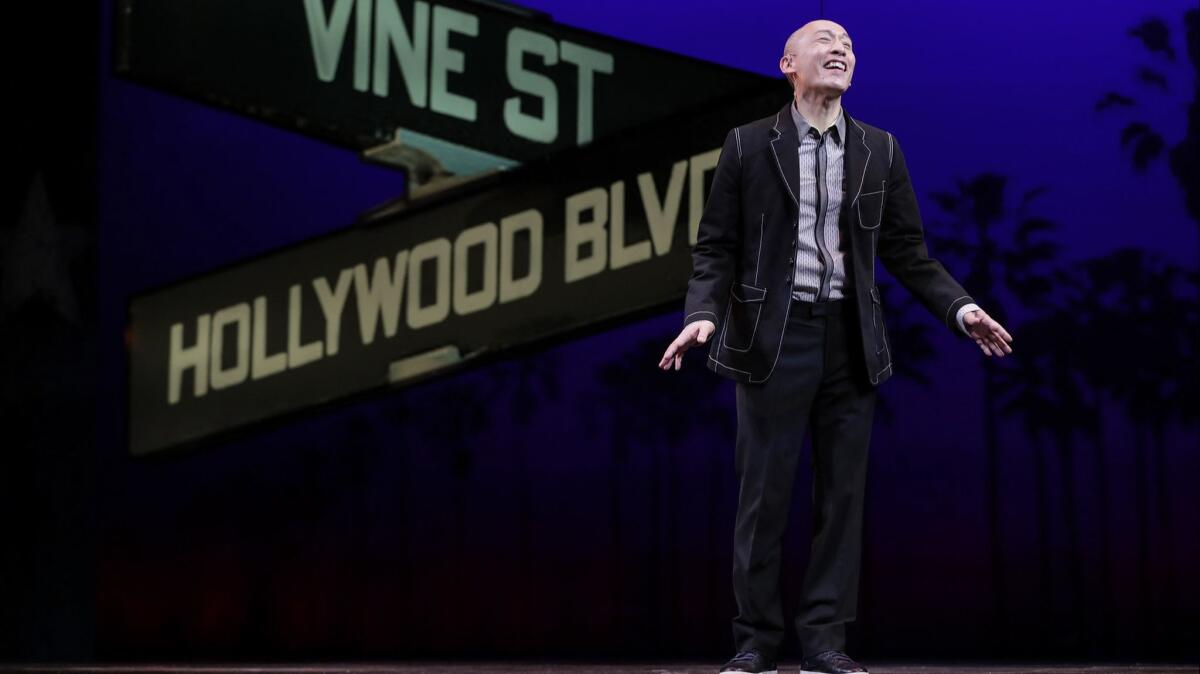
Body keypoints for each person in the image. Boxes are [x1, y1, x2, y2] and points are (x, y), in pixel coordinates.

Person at [657, 19, 1013, 674]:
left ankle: (824, 641)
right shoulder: (746, 145)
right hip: (773, 339)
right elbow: (716, 248)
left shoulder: (880, 149)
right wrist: (703, 315)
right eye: (825, 38)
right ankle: (756, 640)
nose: (841, 47)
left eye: (849, 43)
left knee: (841, 498)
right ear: (788, 62)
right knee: (763, 497)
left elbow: (908, 252)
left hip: (852, 340)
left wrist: (961, 308)